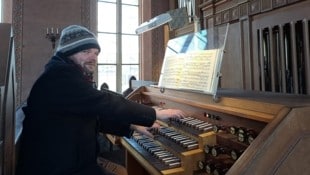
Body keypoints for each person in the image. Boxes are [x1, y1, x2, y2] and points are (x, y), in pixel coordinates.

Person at [16, 25, 185, 175]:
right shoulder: (60, 76)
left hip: (65, 160)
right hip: (56, 167)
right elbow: (105, 102)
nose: (93, 57)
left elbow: (90, 117)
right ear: (69, 52)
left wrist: (131, 126)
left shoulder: (63, 72)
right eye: (86, 51)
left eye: (96, 53)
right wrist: (154, 113)